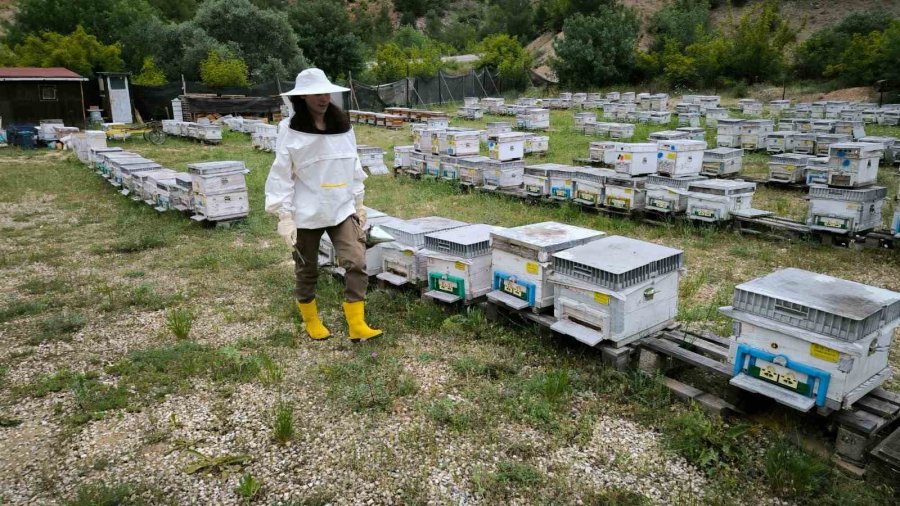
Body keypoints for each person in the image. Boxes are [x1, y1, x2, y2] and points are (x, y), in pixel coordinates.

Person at [264, 68, 381, 342]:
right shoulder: (289, 130)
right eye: (316, 93)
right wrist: (285, 215)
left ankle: (357, 323)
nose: (323, 98)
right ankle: (311, 319)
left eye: (326, 92)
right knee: (307, 267)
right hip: (306, 212)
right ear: (302, 97)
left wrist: (359, 201)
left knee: (356, 261)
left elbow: (352, 164)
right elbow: (282, 173)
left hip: (341, 208)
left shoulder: (343, 126)